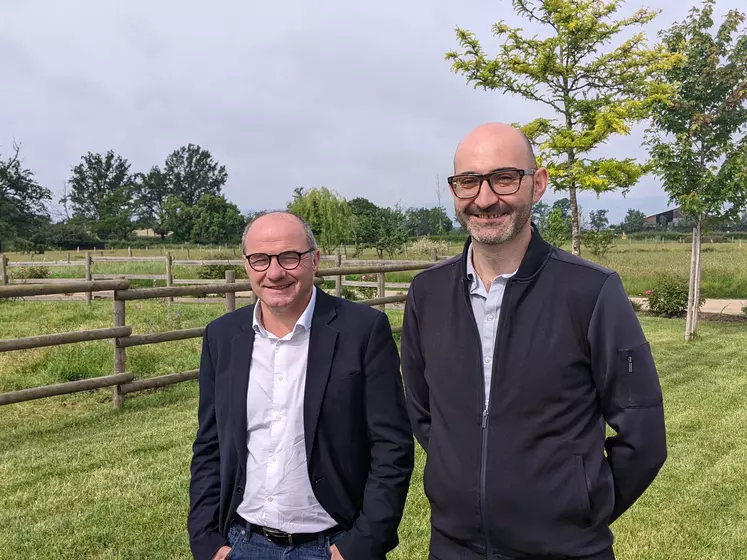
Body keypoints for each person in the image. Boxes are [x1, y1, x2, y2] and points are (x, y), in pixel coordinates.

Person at [401, 123, 667, 560]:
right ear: (454, 191)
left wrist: (577, 505)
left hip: (564, 549)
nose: (485, 199)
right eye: (468, 182)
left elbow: (643, 432)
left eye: (504, 178)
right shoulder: (426, 294)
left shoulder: (591, 291)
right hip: (453, 547)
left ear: (537, 184)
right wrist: (460, 471)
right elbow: (424, 412)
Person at [188, 211, 414, 560]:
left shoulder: (363, 331)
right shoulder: (222, 336)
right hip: (242, 542)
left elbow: (392, 448)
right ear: (247, 265)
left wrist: (362, 545)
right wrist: (206, 540)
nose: (275, 272)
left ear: (315, 260)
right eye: (260, 259)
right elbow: (209, 444)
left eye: (289, 257)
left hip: (331, 544)